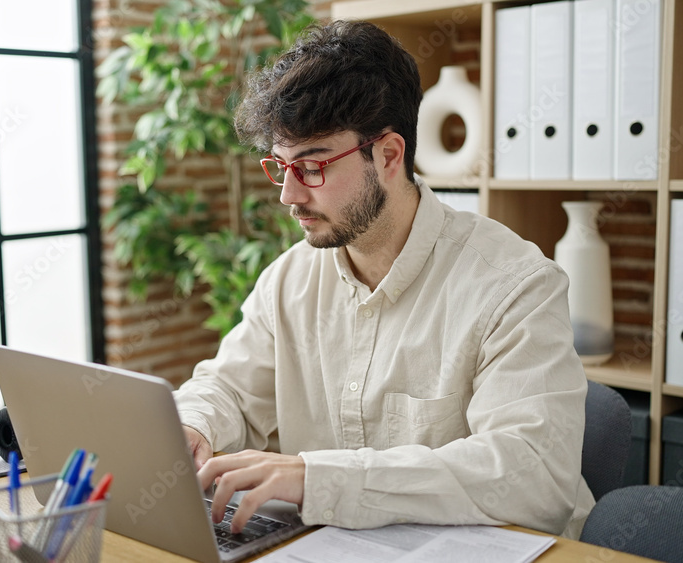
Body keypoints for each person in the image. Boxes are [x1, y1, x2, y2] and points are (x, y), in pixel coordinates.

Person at [172, 20, 595, 540]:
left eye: (313, 165)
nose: (289, 195)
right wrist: (194, 425)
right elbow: (229, 388)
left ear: (389, 155)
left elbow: (533, 475)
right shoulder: (290, 278)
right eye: (281, 167)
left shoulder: (515, 286)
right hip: (339, 545)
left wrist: (319, 479)